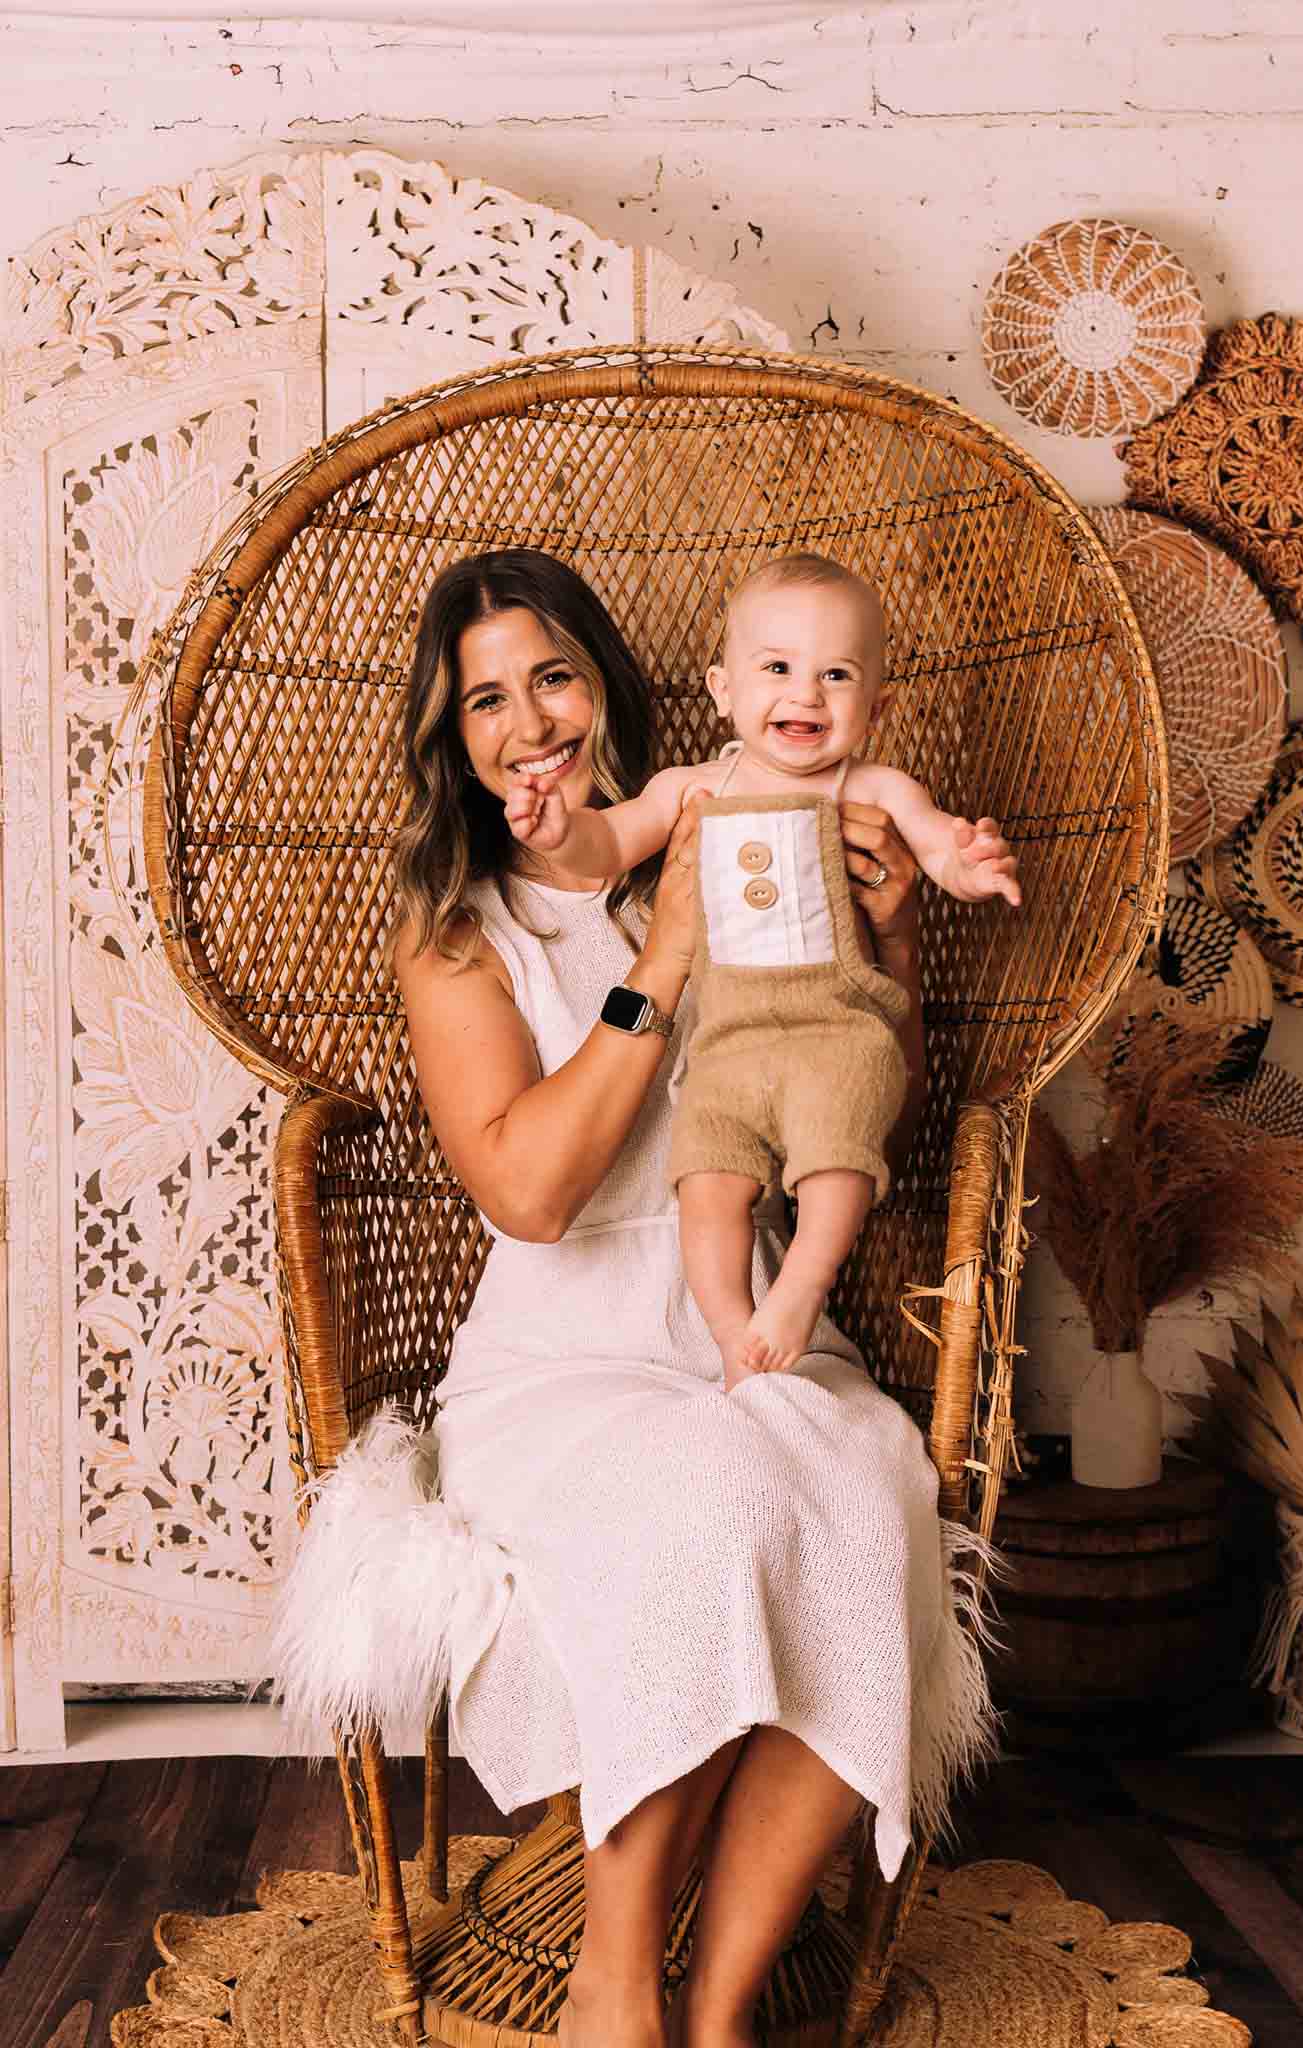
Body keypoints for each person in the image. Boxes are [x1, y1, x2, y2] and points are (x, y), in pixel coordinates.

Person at [346, 548, 994, 2048]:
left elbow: (847, 1093)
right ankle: (611, 1984)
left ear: (612, 688)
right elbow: (530, 1194)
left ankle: (717, 2014)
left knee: (865, 1490)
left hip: (744, 1318)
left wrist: (887, 934)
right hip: (563, 1357)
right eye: (485, 701)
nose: (528, 722)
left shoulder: (741, 829)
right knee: (705, 1501)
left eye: (552, 678)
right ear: (455, 742)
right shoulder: (463, 931)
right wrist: (669, 955)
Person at [503, 553, 1020, 1391]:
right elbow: (607, 847)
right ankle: (733, 1337)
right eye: (777, 668)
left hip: (839, 1029)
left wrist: (971, 863)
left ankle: (797, 1293)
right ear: (724, 690)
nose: (805, 695)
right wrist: (559, 828)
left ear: (876, 705)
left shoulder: (875, 786)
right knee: (705, 1181)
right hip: (727, 1043)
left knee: (837, 1162)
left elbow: (936, 846)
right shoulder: (691, 790)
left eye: (836, 675)